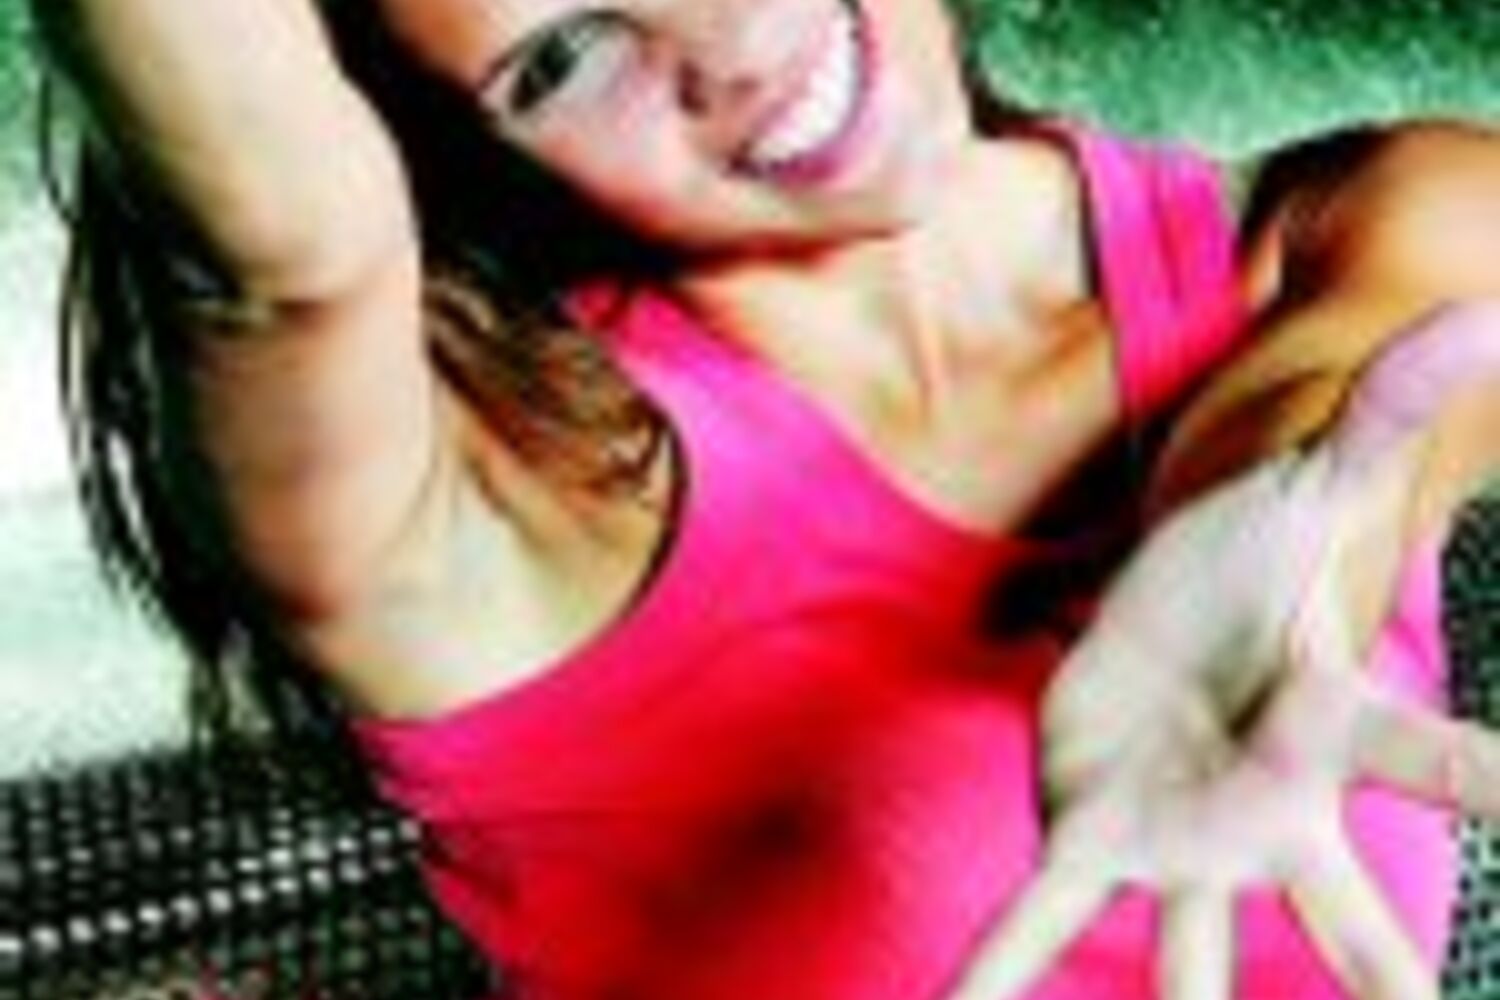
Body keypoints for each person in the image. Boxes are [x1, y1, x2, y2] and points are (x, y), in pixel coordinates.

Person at [30, 0, 1500, 996]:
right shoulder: (486, 525)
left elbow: (1323, 413)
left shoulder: (1387, 223)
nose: (731, 41)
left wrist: (1285, 567)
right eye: (561, 57)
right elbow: (281, 258)